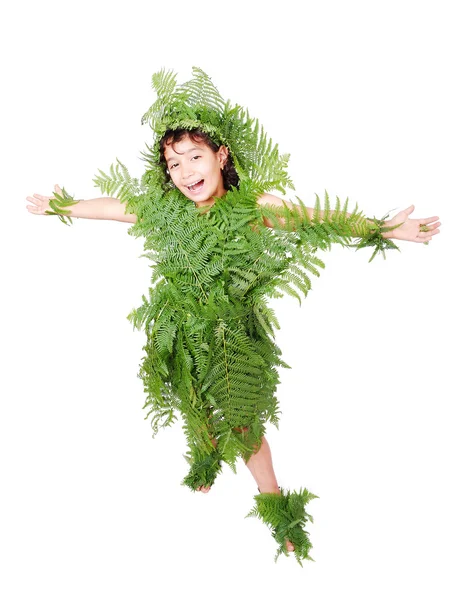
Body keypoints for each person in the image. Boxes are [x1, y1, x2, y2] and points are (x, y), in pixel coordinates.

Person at [25, 67, 441, 565]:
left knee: (243, 422)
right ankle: (205, 456)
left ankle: (274, 503)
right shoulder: (166, 210)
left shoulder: (253, 206)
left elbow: (319, 218)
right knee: (190, 399)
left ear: (221, 156)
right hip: (177, 328)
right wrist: (63, 205)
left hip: (232, 340)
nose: (184, 172)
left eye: (194, 156)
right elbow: (115, 207)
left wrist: (383, 228)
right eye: (173, 163)